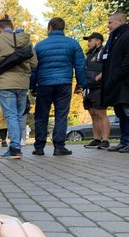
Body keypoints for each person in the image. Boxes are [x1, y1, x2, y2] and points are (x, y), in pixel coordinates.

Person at [0, 15, 38, 159]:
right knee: (19, 115)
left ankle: (14, 148)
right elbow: (34, 64)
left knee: (11, 115)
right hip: (22, 84)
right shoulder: (26, 41)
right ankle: (17, 145)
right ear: (12, 27)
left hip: (5, 83)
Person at [31, 17, 87, 156]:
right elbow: (80, 65)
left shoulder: (40, 45)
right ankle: (59, 146)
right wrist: (81, 84)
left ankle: (39, 147)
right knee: (61, 115)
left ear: (50, 27)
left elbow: (34, 68)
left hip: (44, 84)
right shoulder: (72, 43)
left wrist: (32, 87)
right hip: (64, 84)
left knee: (41, 115)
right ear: (63, 28)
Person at [102, 12, 129, 153]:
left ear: (120, 21)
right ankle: (124, 141)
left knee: (127, 112)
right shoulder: (114, 38)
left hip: (124, 83)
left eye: (110, 23)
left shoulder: (126, 36)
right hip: (116, 84)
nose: (108, 26)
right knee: (121, 114)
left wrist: (117, 76)